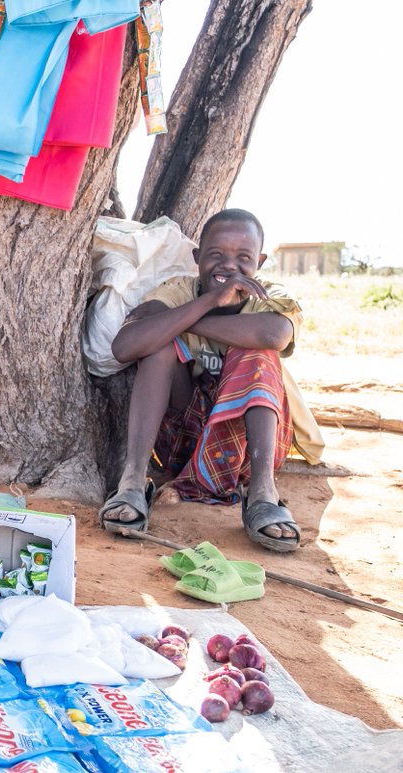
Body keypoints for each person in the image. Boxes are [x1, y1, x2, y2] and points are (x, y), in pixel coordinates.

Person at [100, 208, 308, 552]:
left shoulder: (268, 295)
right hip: (184, 438)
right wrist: (209, 301)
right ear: (197, 258)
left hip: (247, 447)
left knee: (256, 353)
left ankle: (262, 494)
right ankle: (133, 482)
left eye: (243, 258)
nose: (229, 266)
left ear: (259, 261)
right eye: (216, 255)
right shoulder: (180, 290)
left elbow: (274, 335)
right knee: (158, 346)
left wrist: (181, 321)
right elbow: (125, 346)